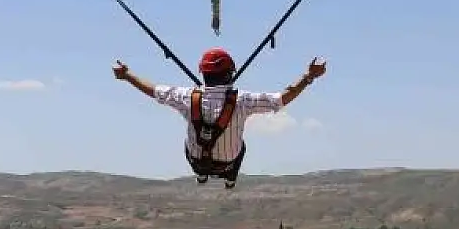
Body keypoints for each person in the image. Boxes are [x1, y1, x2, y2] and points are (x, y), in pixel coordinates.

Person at [112, 48, 326, 188]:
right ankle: (230, 179)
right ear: (230, 74)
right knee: (241, 146)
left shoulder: (186, 96)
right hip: (227, 163)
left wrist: (127, 75)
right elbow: (282, 98)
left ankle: (202, 176)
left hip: (196, 161)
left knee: (189, 143)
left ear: (203, 74)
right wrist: (309, 77)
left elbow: (153, 90)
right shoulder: (243, 100)